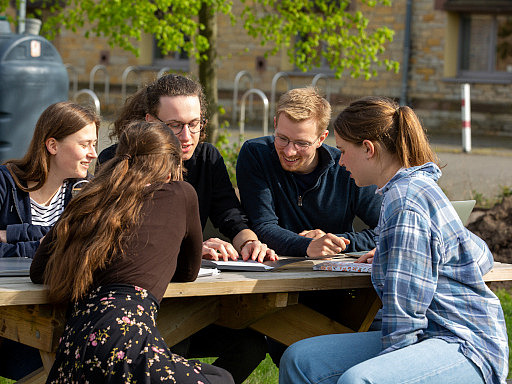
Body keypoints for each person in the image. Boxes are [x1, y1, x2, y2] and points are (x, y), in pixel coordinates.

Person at [279, 96, 509, 384]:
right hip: (430, 334)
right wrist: (400, 254)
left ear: (368, 149)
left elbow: (405, 322)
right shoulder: (405, 189)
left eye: (343, 151)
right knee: (300, 360)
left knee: (358, 381)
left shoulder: (406, 200)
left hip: (465, 344)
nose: (341, 162)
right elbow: (478, 253)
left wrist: (411, 255)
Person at [97, 74, 272, 384]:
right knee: (175, 343)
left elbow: (229, 213)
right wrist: (191, 247)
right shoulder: (118, 160)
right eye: (175, 125)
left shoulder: (207, 157)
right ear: (150, 120)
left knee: (251, 342)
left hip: (190, 295)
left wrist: (249, 242)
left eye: (195, 123)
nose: (187, 135)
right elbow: (117, 236)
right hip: (135, 307)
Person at [30, 120, 234, 383]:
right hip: (126, 340)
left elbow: (38, 271)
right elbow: (188, 271)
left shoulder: (89, 196)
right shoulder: (182, 193)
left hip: (75, 345)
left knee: (216, 376)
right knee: (222, 380)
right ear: (170, 165)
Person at [0, 101, 98, 380]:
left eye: (94, 144)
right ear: (52, 145)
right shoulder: (6, 183)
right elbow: (59, 246)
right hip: (9, 317)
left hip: (62, 314)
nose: (92, 154)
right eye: (85, 144)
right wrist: (40, 242)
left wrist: (12, 234)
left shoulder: (87, 192)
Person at [236, 87, 382, 259]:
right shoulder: (256, 154)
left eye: (301, 143)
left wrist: (333, 242)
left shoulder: (345, 167)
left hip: (334, 276)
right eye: (282, 138)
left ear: (321, 138)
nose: (290, 151)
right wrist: (308, 246)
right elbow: (262, 226)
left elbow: (385, 230)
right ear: (275, 124)